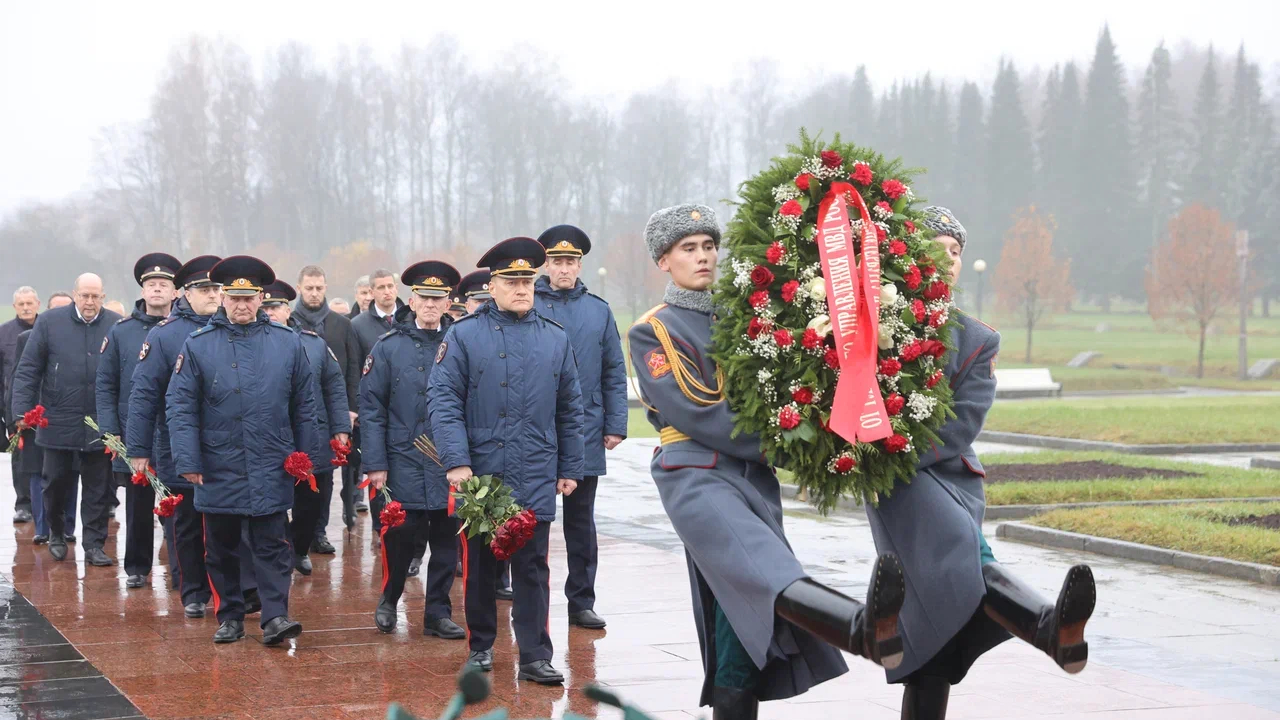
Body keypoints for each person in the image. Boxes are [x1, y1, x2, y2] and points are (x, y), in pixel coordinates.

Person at [629, 204, 909, 719]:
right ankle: (862, 628)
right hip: (695, 475)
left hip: (753, 479)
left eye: (709, 246)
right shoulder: (655, 330)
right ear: (663, 260)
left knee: (741, 620)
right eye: (688, 249)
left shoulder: (744, 318)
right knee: (766, 573)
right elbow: (700, 411)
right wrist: (784, 444)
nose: (703, 256)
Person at [865, 207, 1096, 720]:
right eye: (937, 248)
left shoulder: (976, 337)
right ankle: (1047, 626)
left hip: (948, 475)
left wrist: (898, 450)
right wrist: (882, 455)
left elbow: (962, 424)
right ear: (908, 254)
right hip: (899, 484)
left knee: (932, 637)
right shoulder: (875, 325)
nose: (949, 259)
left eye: (956, 252)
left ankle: (1051, 628)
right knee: (966, 558)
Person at [429, 237, 585, 684]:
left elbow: (570, 407)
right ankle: (481, 646)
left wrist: (570, 466)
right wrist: (456, 461)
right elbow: (442, 400)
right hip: (482, 472)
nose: (521, 289)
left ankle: (535, 655)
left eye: (527, 282)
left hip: (536, 467)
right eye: (512, 282)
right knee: (481, 566)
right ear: (492, 286)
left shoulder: (554, 338)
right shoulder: (463, 336)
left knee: (533, 567)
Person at [166, 256, 319, 646]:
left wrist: (305, 457)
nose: (241, 305)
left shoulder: (287, 342)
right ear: (223, 298)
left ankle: (275, 616)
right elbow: (180, 407)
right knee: (221, 548)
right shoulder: (198, 344)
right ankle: (230, 615)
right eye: (234, 298)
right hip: (218, 462)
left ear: (261, 298)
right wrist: (188, 460)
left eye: (249, 298)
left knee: (272, 544)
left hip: (271, 460)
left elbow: (305, 404)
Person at [128, 256, 259, 619]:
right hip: (179, 443)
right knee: (186, 523)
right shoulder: (165, 334)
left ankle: (241, 587)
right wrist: (138, 448)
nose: (213, 296)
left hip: (230, 446)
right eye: (204, 290)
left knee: (235, 519)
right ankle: (193, 590)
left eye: (218, 289)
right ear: (186, 293)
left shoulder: (238, 328)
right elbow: (143, 394)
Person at [361, 261, 465, 640]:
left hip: (448, 460)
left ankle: (437, 613)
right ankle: (390, 598)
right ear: (412, 300)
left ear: (448, 302)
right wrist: (375, 463)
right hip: (402, 458)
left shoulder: (460, 343)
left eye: (438, 298)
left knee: (446, 542)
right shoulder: (388, 347)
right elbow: (371, 408)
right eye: (424, 297)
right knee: (400, 537)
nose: (431, 304)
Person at [534, 225, 628, 629]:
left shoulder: (598, 311)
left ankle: (581, 600)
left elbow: (613, 370)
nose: (564, 268)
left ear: (579, 265)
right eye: (557, 261)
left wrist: (616, 423)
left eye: (570, 261)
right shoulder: (528, 303)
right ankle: (519, 590)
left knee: (581, 522)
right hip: (536, 429)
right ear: (547, 264)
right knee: (529, 517)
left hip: (584, 429)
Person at [11, 273, 122, 565]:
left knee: (98, 488)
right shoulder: (50, 322)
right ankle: (57, 532)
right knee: (55, 483)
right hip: (58, 419)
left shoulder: (115, 324)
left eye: (95, 296)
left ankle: (94, 545)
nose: (89, 302)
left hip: (99, 421)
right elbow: (29, 368)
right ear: (75, 295)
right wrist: (21, 411)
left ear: (103, 297)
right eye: (84, 295)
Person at [96, 253, 180, 588]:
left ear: (175, 292)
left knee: (179, 504)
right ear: (143, 291)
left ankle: (182, 569)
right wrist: (110, 430)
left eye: (163, 284)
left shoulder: (186, 329)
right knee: (138, 504)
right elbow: (106, 383)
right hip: (135, 430)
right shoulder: (121, 332)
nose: (157, 289)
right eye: (151, 284)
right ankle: (137, 567)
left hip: (175, 431)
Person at [260, 281, 352, 576]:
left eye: (276, 307)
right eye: (266, 307)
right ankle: (277, 550)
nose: (271, 313)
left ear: (288, 310)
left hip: (313, 432)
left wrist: (340, 427)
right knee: (271, 499)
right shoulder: (253, 343)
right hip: (271, 434)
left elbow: (334, 386)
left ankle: (299, 548)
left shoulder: (314, 343)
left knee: (310, 500)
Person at [292, 265, 361, 555]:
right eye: (309, 288)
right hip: (298, 411)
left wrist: (350, 410)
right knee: (296, 474)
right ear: (299, 288)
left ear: (326, 288)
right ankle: (296, 535)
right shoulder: (288, 322)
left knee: (325, 475)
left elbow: (352, 369)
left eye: (319, 288)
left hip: (332, 409)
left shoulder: (341, 325)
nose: (314, 293)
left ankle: (318, 532)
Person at [12, 293, 78, 545]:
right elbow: (18, 377)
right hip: (36, 418)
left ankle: (67, 527)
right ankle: (42, 528)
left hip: (69, 419)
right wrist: (17, 415)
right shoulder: (27, 338)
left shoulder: (81, 339)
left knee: (69, 474)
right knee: (39, 474)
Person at [350, 268, 407, 539]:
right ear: (371, 292)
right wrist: (357, 408)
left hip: (405, 410)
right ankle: (380, 528)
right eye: (380, 287)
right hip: (373, 409)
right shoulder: (358, 325)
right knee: (376, 470)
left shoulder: (408, 318)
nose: (387, 291)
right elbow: (354, 369)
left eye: (390, 286)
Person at [2, 285, 41, 523]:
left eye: (30, 303)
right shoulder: (3, 333)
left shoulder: (47, 329)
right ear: (14, 306)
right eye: (21, 304)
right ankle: (24, 504)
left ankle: (46, 504)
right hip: (15, 404)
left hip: (44, 405)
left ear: (38, 304)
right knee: (20, 456)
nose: (26, 307)